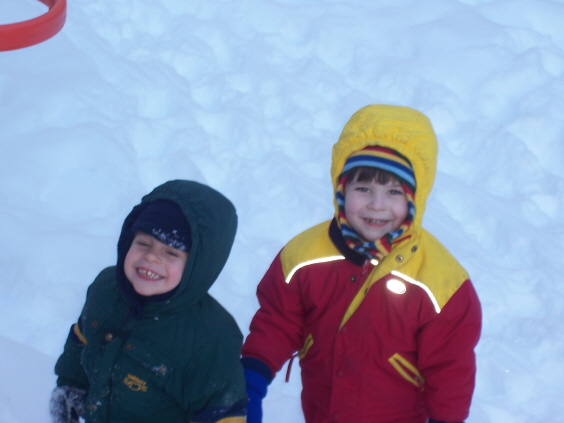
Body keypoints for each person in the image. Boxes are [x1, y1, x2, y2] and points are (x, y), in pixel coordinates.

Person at [241, 105, 482, 423]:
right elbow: (278, 322)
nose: (377, 205)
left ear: (413, 199)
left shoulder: (440, 283)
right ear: (342, 189)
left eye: (394, 191)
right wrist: (250, 381)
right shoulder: (303, 257)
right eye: (363, 188)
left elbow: (450, 368)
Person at [50, 180, 247, 423]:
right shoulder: (105, 290)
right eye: (143, 243)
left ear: (197, 267)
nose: (151, 257)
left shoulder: (210, 338)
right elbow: (82, 338)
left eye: (171, 253)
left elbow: (224, 414)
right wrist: (70, 385)